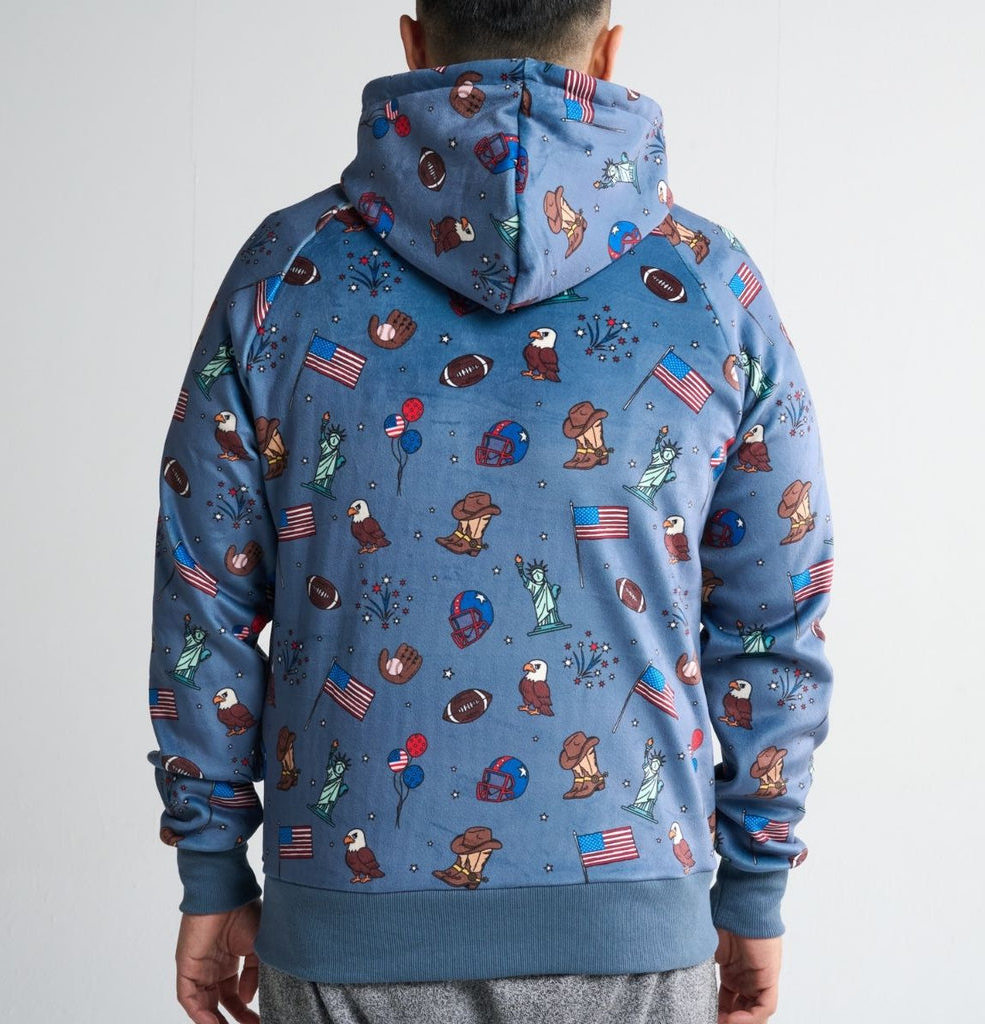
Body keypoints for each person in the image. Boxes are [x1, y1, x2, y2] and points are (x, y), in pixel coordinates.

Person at [145, 3, 835, 1022]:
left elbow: (203, 595)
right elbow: (774, 615)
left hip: (345, 935)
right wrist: (754, 885)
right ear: (608, 50)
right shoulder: (710, 288)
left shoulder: (285, 276)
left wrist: (211, 867)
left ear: (413, 44)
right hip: (633, 932)